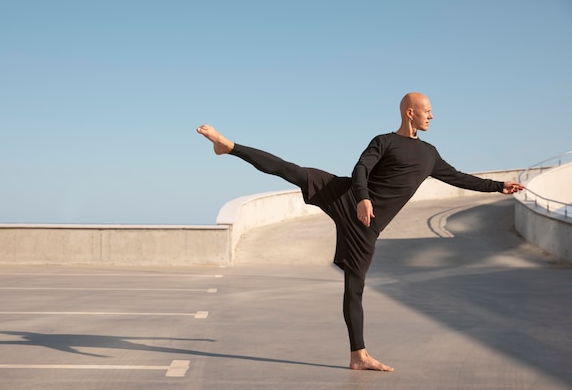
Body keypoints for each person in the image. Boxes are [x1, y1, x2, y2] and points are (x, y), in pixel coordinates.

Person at [197, 92, 524, 372]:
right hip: (347, 196)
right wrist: (363, 198)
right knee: (293, 171)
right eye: (428, 111)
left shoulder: (430, 155)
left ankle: (358, 355)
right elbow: (361, 168)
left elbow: (461, 178)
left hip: (367, 227)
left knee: (355, 288)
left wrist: (499, 186)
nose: (432, 116)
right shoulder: (385, 141)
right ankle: (229, 147)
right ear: (410, 112)